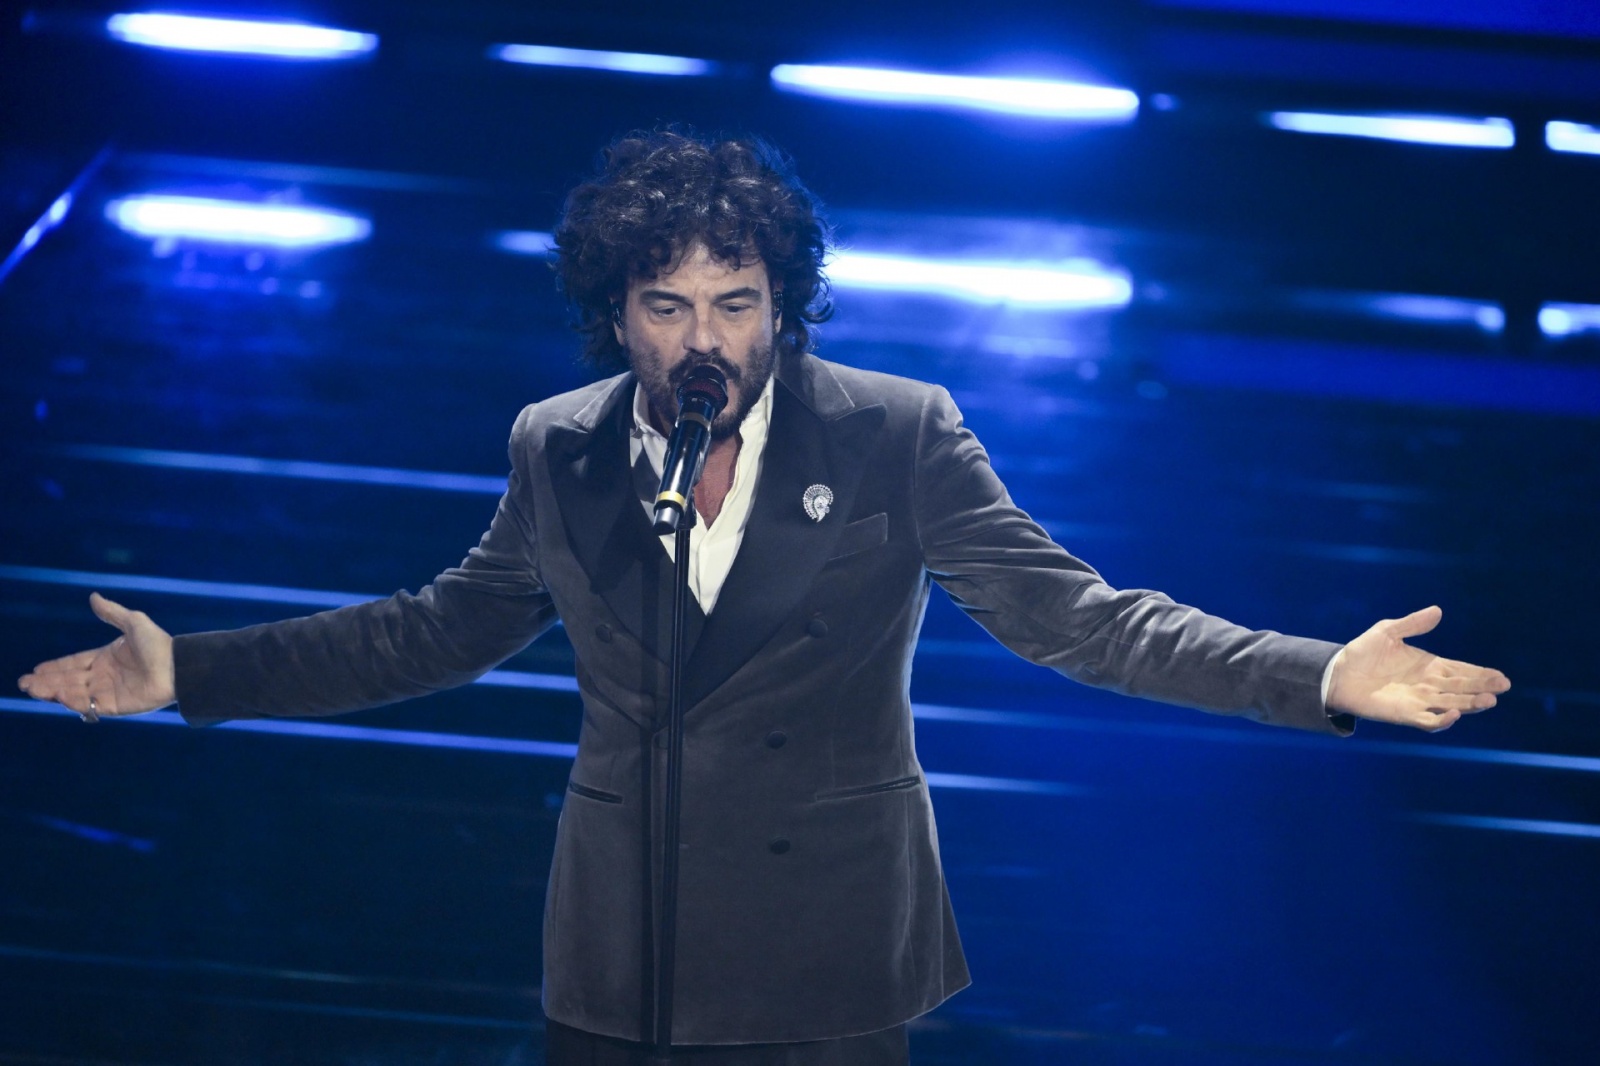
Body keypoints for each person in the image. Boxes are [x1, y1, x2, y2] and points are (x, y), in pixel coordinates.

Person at [18, 131, 1510, 1065]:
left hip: (824, 948)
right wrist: (187, 670)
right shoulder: (563, 443)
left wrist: (1318, 671)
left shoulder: (896, 429)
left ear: (783, 308)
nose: (702, 336)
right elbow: (436, 624)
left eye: (735, 302)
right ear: (619, 315)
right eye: (666, 306)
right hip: (619, 945)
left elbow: (1085, 616)